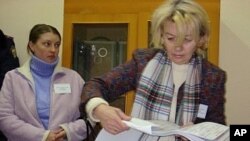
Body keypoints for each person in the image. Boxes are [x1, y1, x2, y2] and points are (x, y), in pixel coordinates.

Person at [81, 0, 226, 140]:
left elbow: (217, 128)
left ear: (201, 39)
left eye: (187, 40)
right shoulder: (143, 62)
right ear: (161, 36)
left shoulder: (212, 77)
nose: (178, 47)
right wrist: (100, 109)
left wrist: (197, 134)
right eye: (171, 38)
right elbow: (95, 85)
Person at [0, 24, 87, 141]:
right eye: (47, 44)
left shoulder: (73, 78)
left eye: (57, 45)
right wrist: (42, 136)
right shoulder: (13, 78)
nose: (53, 50)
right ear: (32, 46)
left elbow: (89, 118)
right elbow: (4, 118)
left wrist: (68, 131)